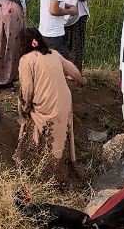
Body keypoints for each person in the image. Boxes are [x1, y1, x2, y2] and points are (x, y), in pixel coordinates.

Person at [17, 26, 86, 167]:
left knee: (34, 128)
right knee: (61, 137)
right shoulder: (54, 53)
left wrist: (25, 107)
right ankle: (64, 165)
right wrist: (82, 81)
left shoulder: (26, 60)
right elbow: (73, 70)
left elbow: (27, 90)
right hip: (64, 103)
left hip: (45, 105)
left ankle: (39, 167)